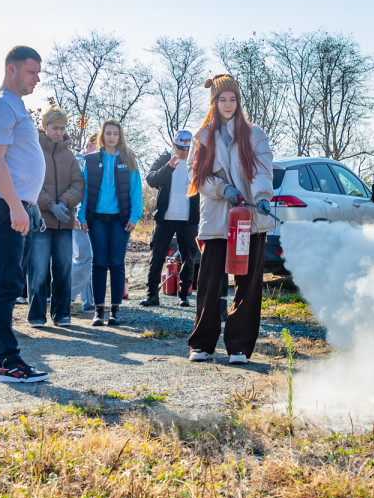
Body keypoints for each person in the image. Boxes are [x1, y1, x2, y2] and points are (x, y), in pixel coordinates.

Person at [186, 74, 274, 365]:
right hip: (217, 220)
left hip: (251, 218)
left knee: (248, 285)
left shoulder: (255, 134)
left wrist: (261, 196)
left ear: (238, 102)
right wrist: (224, 189)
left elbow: (264, 169)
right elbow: (196, 175)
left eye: (232, 99)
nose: (227, 104)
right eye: (222, 99)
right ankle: (202, 344)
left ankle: (239, 346)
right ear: (214, 103)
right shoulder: (202, 137)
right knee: (210, 282)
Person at [0, 46, 49, 382]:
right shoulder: (1, 105)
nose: (37, 79)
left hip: (14, 205)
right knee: (7, 285)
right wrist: (16, 206)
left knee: (5, 284)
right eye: (32, 72)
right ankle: (9, 362)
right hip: (3, 206)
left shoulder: (13, 105)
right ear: (12, 69)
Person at [78, 119, 142, 327]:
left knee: (116, 263)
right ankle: (98, 311)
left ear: (120, 136)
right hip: (96, 219)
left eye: (115, 133)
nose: (112, 137)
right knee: (98, 263)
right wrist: (82, 216)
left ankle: (115, 311)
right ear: (102, 136)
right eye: (108, 133)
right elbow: (85, 190)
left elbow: (136, 190)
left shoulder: (128, 158)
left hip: (119, 219)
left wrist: (134, 217)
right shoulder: (91, 160)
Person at [28, 108, 84, 327]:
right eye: (55, 128)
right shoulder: (34, 152)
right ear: (46, 127)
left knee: (63, 270)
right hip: (40, 222)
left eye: (62, 128)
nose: (59, 132)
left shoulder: (70, 156)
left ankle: (61, 314)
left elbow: (78, 184)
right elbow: (31, 183)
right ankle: (37, 315)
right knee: (38, 271)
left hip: (65, 223)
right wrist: (51, 205)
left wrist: (64, 203)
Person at [140, 130, 200, 308]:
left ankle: (183, 295)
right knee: (157, 255)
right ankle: (152, 295)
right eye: (181, 148)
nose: (184, 152)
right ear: (174, 145)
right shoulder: (165, 158)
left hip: (189, 218)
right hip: (165, 218)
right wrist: (168, 167)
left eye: (188, 149)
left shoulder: (197, 161)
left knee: (189, 257)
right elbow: (151, 180)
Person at [70, 132, 98, 316]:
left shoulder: (100, 163)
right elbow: (73, 190)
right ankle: (66, 295)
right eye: (97, 145)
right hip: (79, 218)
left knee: (92, 259)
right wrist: (73, 215)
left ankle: (90, 301)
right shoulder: (79, 161)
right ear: (89, 145)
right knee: (84, 258)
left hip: (96, 218)